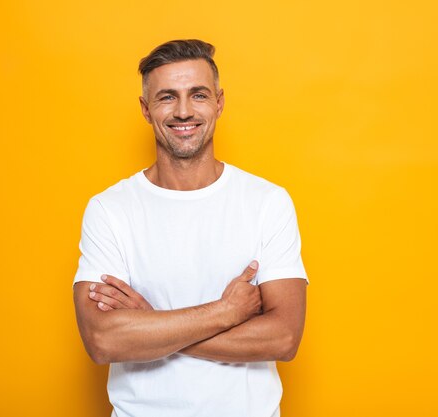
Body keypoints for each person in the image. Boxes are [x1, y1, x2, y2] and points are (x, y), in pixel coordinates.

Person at [72, 39, 309, 417]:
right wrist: (224, 312)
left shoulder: (267, 201)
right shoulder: (109, 210)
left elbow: (283, 337)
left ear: (219, 102)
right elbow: (102, 339)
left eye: (197, 95)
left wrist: (151, 326)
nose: (184, 111)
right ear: (146, 109)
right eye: (167, 97)